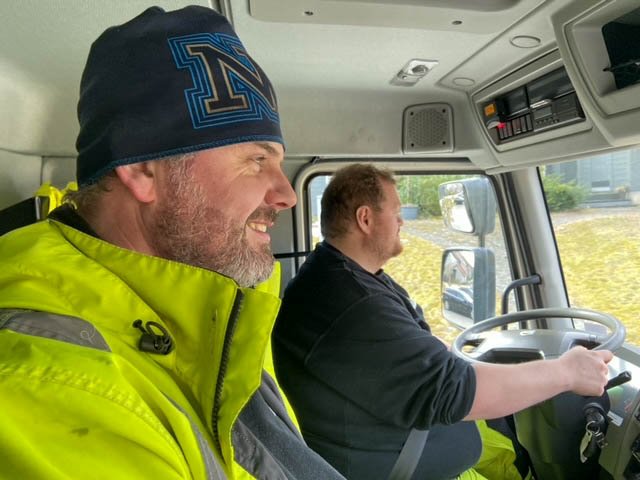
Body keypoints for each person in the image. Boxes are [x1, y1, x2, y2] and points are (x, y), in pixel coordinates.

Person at [0, 6, 345, 480]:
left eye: (280, 164)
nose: (286, 194)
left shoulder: (219, 300)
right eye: (256, 160)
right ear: (144, 170)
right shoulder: (47, 386)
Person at [272, 163, 613, 480]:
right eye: (395, 211)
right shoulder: (353, 302)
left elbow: (408, 354)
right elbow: (455, 391)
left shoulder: (341, 277)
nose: (402, 221)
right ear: (365, 218)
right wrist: (568, 372)